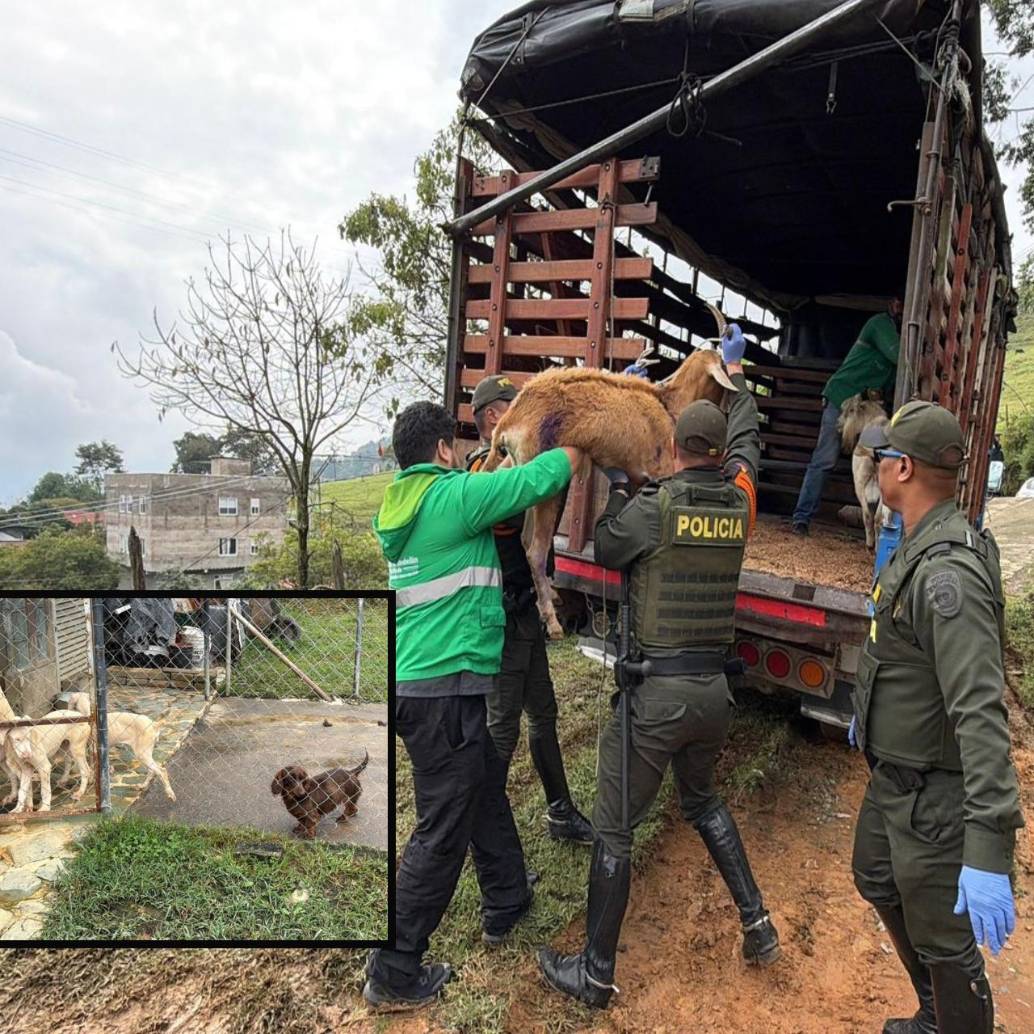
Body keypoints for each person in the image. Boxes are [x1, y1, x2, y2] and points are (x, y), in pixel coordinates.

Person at [538, 326, 781, 1009]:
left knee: (615, 828)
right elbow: (749, 453)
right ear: (722, 453)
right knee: (702, 801)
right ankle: (757, 923)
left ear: (674, 449)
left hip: (657, 698)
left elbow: (609, 547)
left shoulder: (657, 506)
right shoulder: (739, 503)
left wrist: (622, 487)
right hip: (714, 695)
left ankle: (594, 972)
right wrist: (742, 394)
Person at [363, 401, 580, 1009]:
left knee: (482, 785)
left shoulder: (403, 506)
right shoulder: (452, 498)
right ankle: (395, 967)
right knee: (442, 827)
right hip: (445, 689)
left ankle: (507, 896)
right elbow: (543, 477)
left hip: (421, 683)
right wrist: (578, 439)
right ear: (440, 450)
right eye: (454, 446)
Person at [849, 401, 1024, 1034]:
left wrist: (987, 850)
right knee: (873, 873)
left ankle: (955, 1020)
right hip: (894, 777)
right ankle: (934, 1015)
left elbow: (980, 713)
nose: (876, 465)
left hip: (934, 796)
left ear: (902, 467)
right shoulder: (921, 542)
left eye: (881, 456)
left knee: (946, 940)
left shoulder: (948, 572)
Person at [466, 374, 593, 845]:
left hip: (526, 615)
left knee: (544, 713)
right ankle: (486, 841)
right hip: (501, 620)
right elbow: (525, 494)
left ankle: (561, 813)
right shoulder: (485, 471)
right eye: (520, 406)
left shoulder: (516, 462)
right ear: (499, 418)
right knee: (501, 733)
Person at [792, 298, 903, 535]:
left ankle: (877, 524)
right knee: (825, 458)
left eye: (903, 303)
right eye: (897, 302)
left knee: (879, 457)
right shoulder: (880, 325)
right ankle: (801, 518)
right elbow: (899, 356)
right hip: (843, 399)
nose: (899, 307)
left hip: (867, 405)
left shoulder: (898, 335)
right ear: (892, 305)